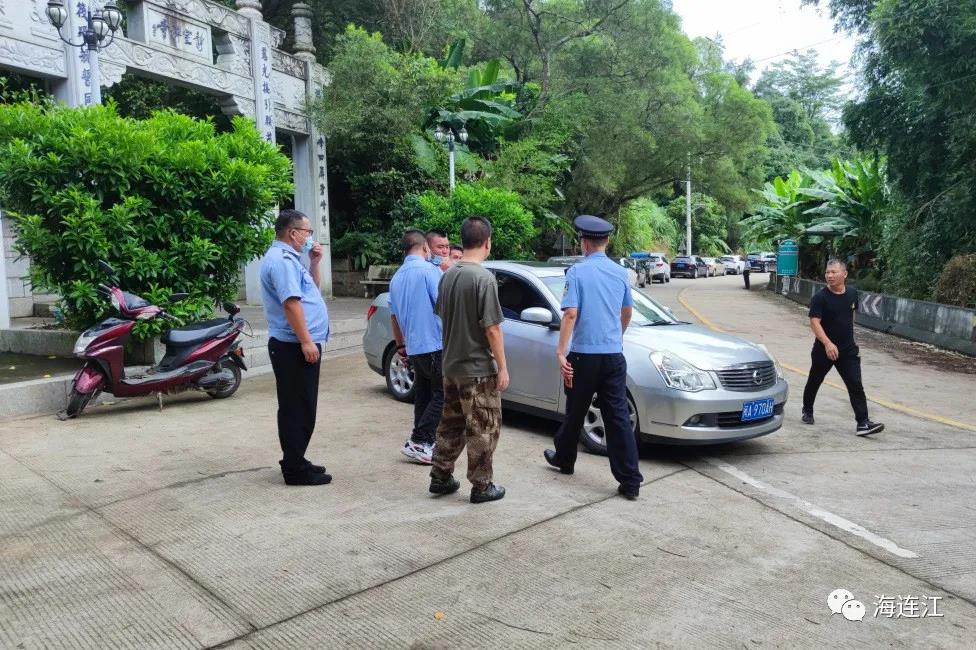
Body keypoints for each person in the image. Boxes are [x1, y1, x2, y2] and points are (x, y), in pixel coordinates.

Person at [543, 215, 644, 500]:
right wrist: (616, 336)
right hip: (613, 356)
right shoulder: (620, 273)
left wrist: (561, 351)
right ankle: (630, 481)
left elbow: (570, 313)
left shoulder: (576, 273)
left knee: (575, 409)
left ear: (583, 242)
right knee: (618, 418)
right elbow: (626, 313)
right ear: (607, 241)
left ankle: (565, 458)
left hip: (584, 357)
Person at [428, 216, 509, 504]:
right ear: (488, 242)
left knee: (450, 423)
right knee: (483, 427)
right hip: (477, 370)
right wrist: (502, 367)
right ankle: (482, 485)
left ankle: (440, 475)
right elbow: (492, 328)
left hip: (451, 366)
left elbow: (443, 316)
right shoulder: (483, 278)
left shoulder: (448, 275)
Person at [259, 209, 332, 486]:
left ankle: (296, 459)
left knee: (300, 405)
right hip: (293, 346)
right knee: (297, 407)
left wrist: (314, 263)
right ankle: (294, 469)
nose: (309, 237)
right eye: (307, 232)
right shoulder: (281, 261)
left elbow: (309, 290)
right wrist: (306, 341)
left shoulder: (291, 259)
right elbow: (291, 304)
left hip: (297, 345)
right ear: (292, 233)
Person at [801, 259, 884, 436]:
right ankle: (807, 409)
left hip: (847, 350)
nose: (829, 276)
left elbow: (850, 315)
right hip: (824, 349)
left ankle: (863, 423)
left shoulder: (852, 294)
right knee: (815, 380)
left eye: (833, 272)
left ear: (844, 274)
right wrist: (827, 343)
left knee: (855, 384)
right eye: (827, 272)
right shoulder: (820, 298)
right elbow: (814, 322)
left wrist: (851, 339)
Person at [388, 229, 443, 465]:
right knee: (442, 395)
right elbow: (444, 306)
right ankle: (420, 440)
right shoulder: (430, 271)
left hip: (414, 346)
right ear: (424, 248)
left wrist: (401, 346)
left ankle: (421, 442)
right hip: (434, 342)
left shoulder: (396, 278)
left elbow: (394, 316)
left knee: (423, 395)